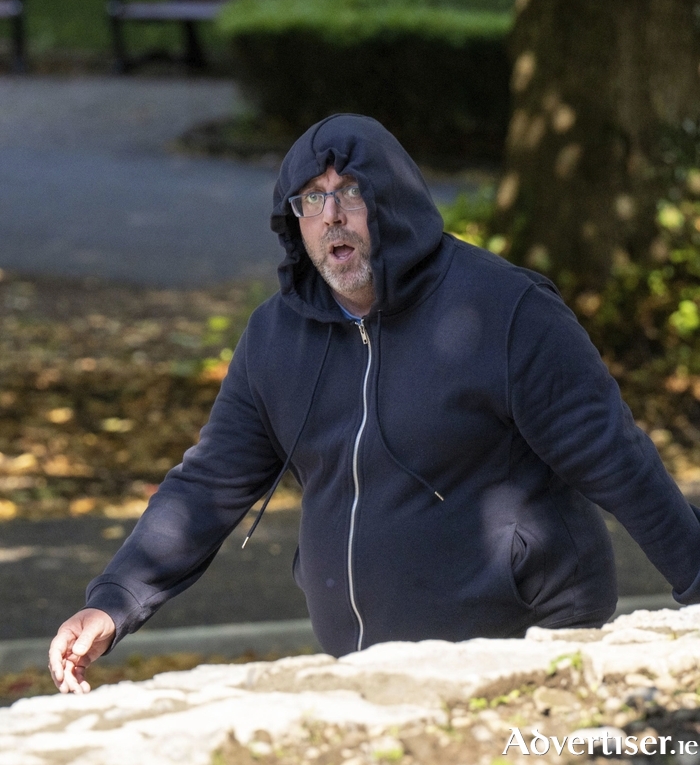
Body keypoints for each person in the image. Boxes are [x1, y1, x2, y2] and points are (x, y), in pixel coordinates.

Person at [50, 113, 700, 694]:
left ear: (395, 203)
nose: (332, 214)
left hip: (527, 658)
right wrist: (113, 601)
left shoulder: (506, 312)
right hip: (365, 675)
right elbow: (208, 484)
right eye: (312, 199)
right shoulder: (275, 338)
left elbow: (617, 459)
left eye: (351, 193)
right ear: (294, 221)